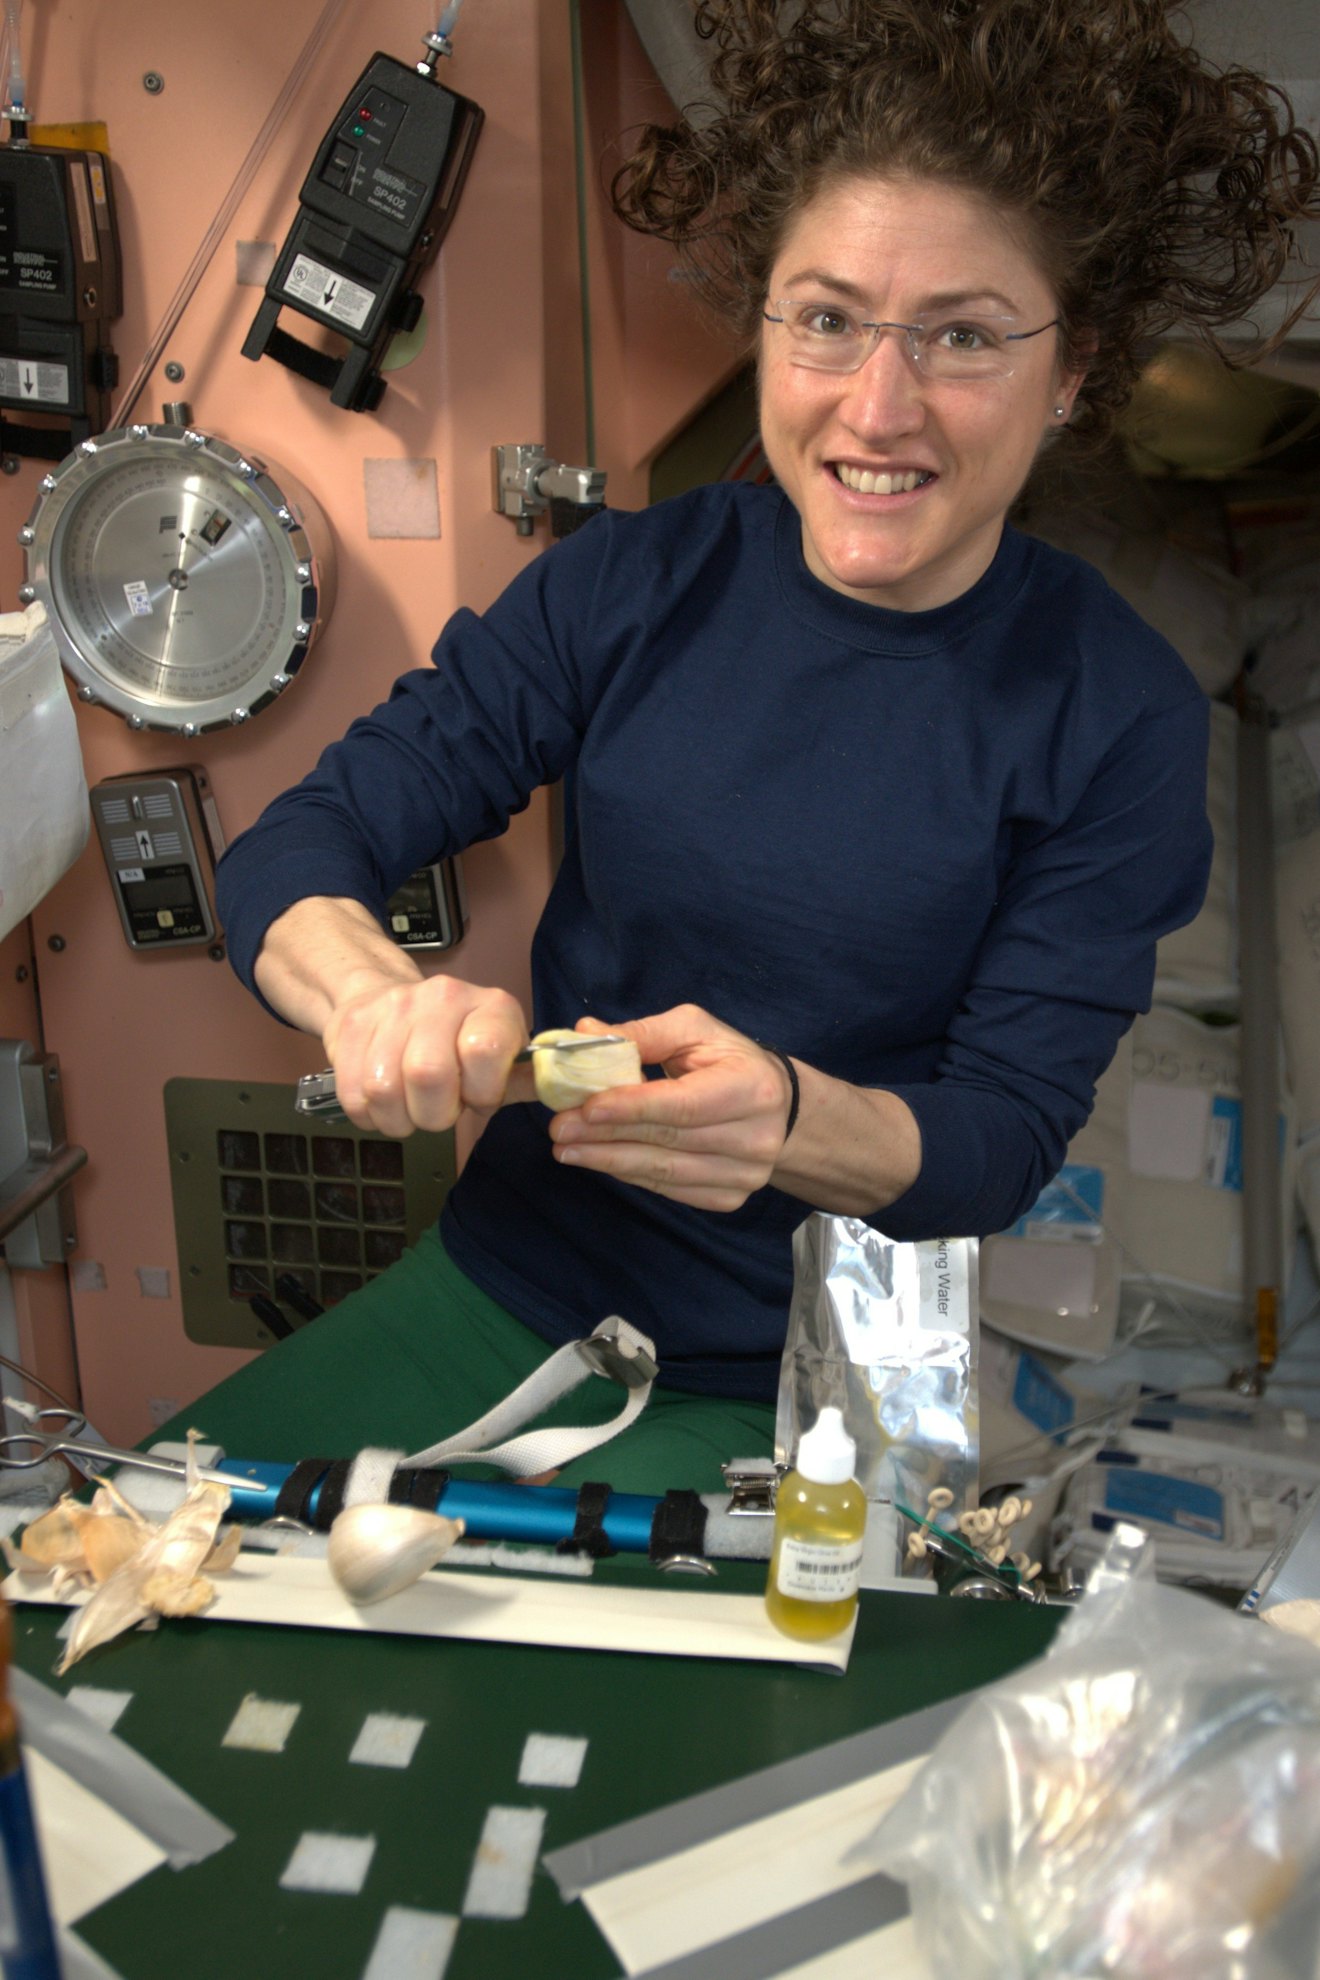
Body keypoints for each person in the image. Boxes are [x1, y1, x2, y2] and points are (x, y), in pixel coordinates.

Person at [203, 0, 1320, 1497]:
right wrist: (369, 1001)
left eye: (966, 335)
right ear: (769, 321)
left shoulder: (1113, 713)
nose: (878, 406)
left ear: (1073, 374)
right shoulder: (630, 583)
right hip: (503, 1288)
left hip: (828, 1368)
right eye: (828, 318)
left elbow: (995, 1140)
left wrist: (791, 1120)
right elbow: (294, 850)